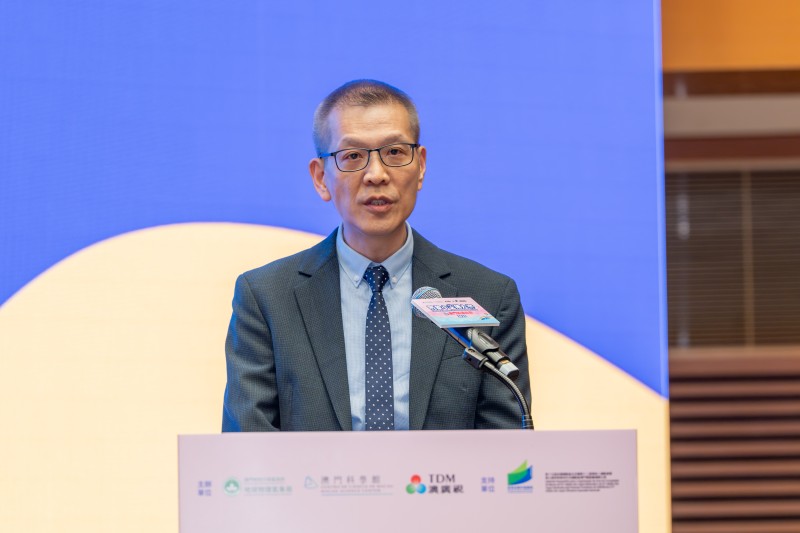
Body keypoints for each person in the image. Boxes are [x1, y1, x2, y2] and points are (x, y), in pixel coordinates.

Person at [222, 79, 530, 432]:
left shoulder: (488, 295)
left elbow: (506, 450)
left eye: (395, 152)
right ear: (321, 178)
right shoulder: (267, 298)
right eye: (353, 156)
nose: (377, 175)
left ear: (421, 166)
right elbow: (246, 445)